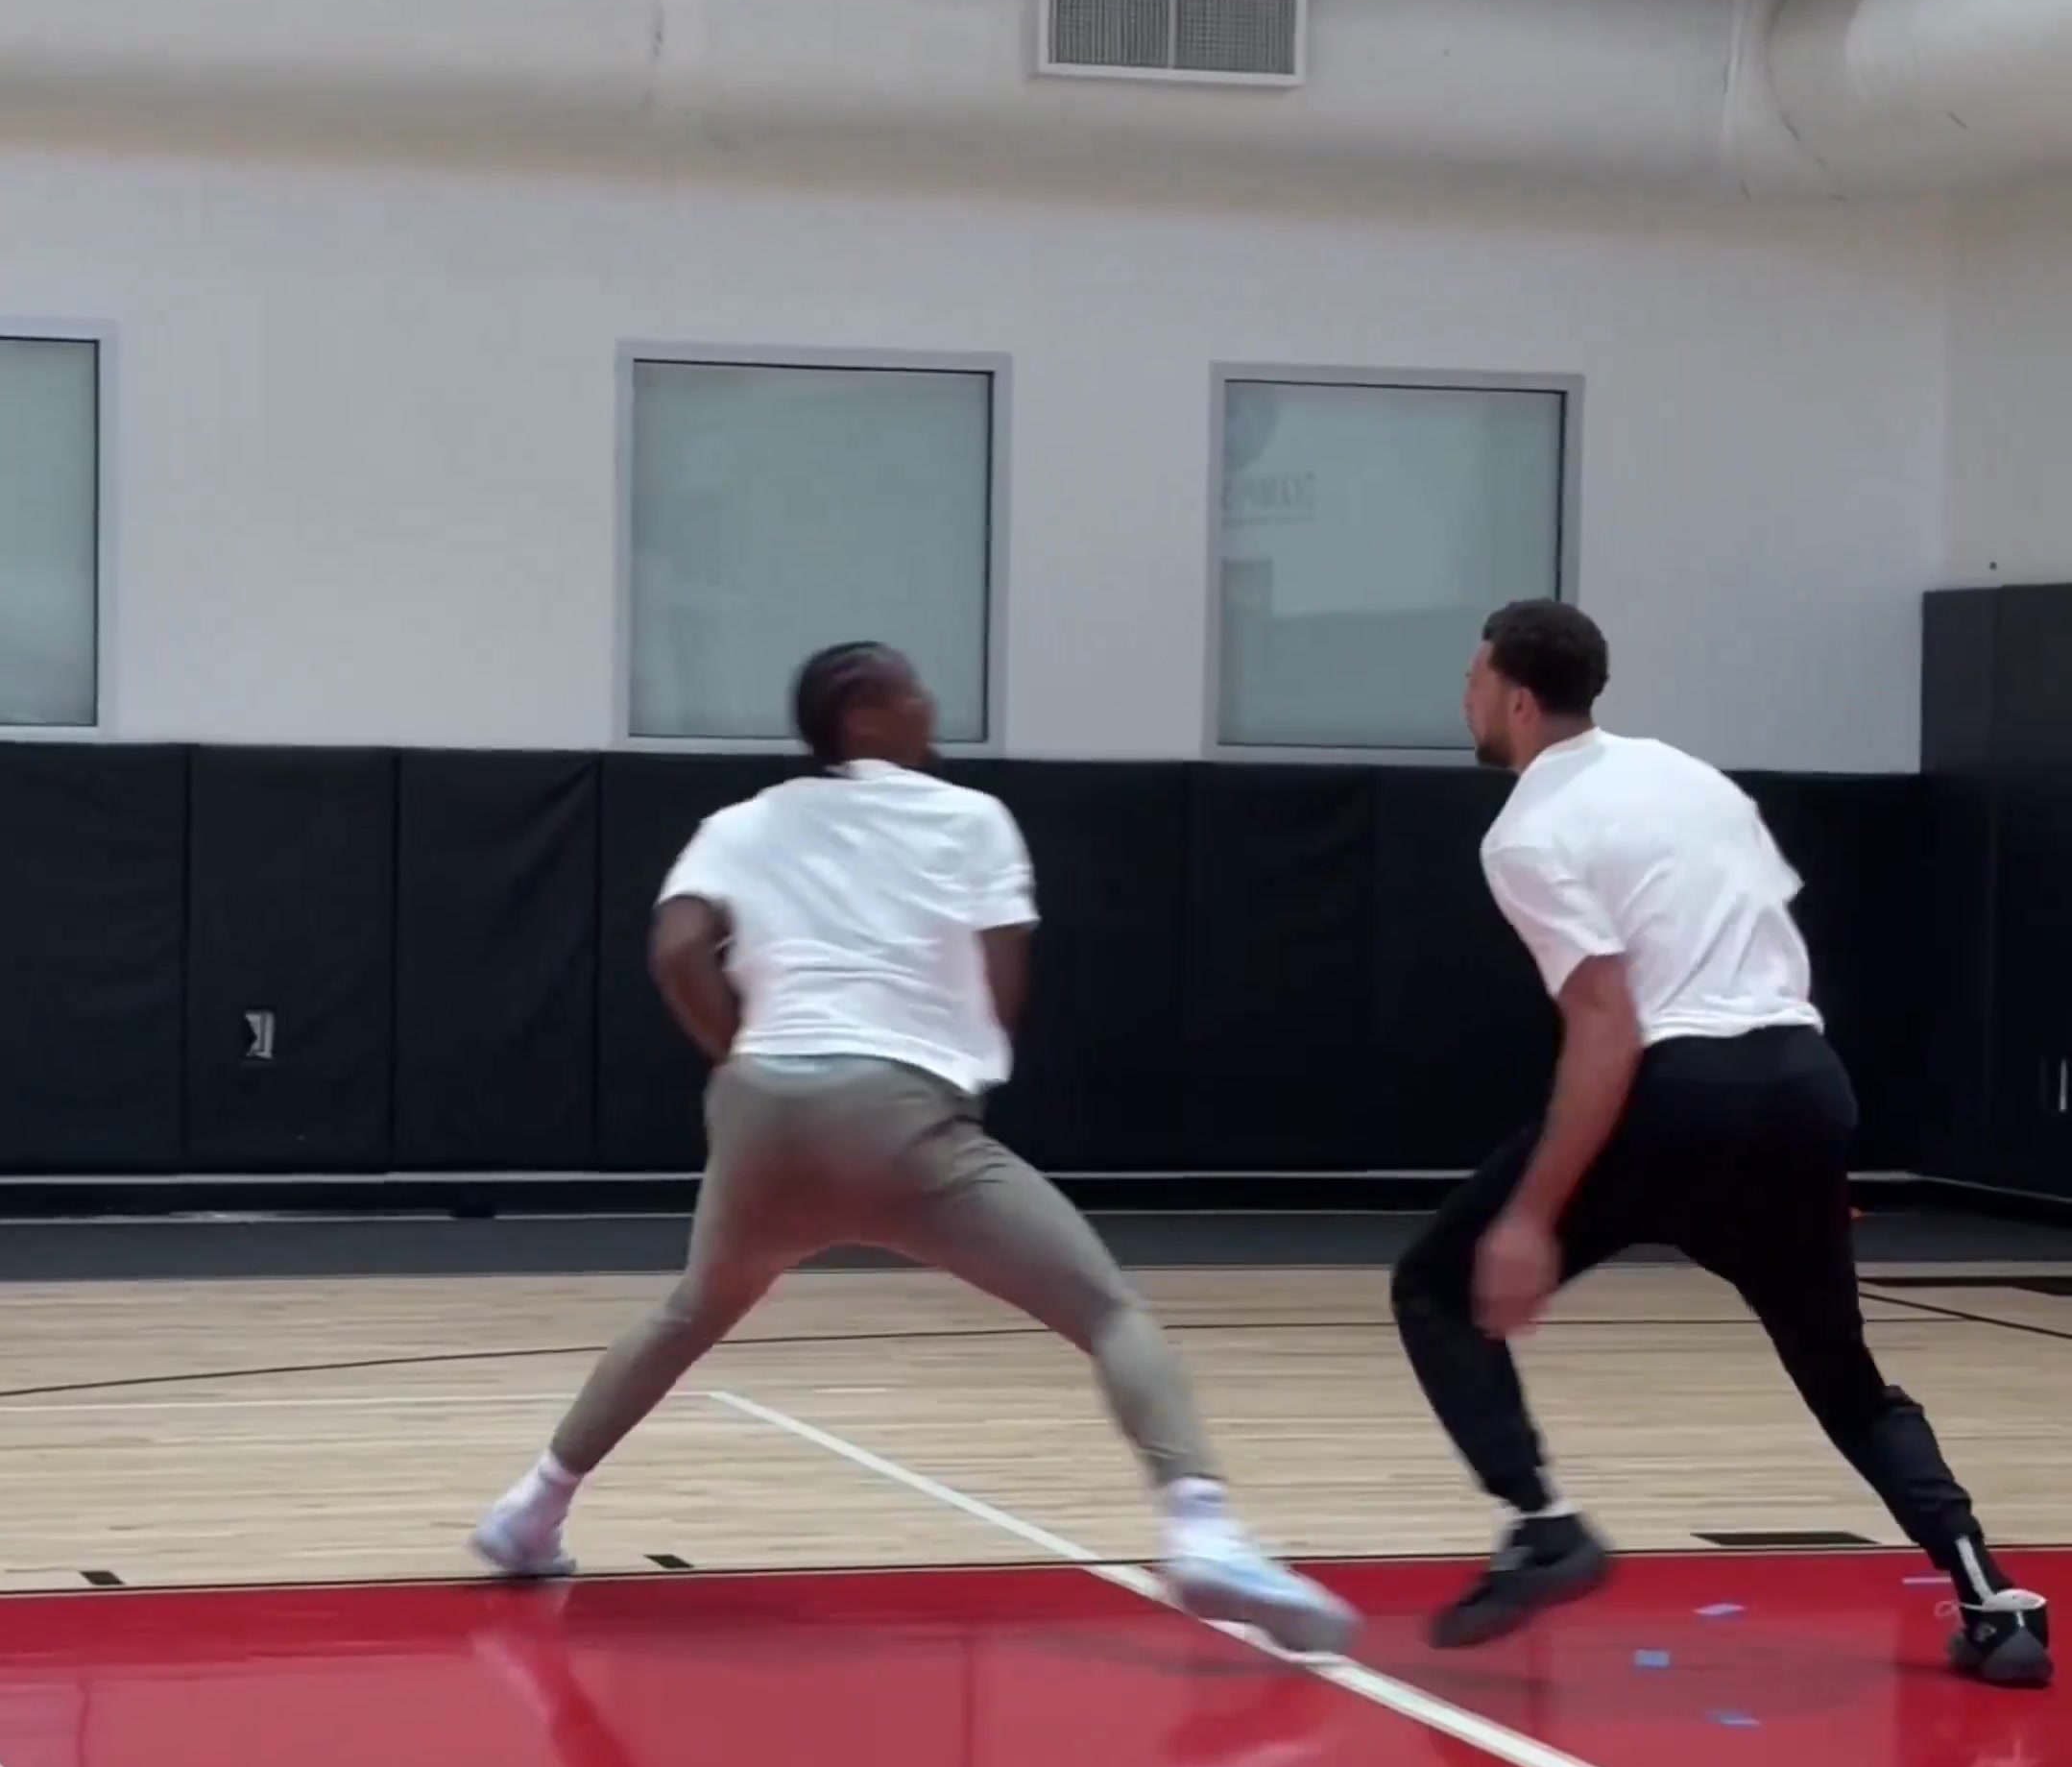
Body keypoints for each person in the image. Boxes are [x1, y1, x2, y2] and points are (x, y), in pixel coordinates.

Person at [474, 641, 1357, 1659]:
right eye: (911, 690)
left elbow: (677, 948)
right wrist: (951, 1080)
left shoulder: (739, 823)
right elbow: (1002, 978)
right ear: (861, 712)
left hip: (760, 1107)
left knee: (691, 1311)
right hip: (901, 1111)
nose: (930, 704)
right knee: (1108, 1309)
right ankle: (1202, 1528)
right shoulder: (971, 817)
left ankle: (531, 1511)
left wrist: (746, 1056)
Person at [1389, 598, 2051, 1689]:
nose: (1464, 696)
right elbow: (1766, 956)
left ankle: (1543, 1523)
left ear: (1517, 698)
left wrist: (1530, 1217)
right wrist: (1805, 1158)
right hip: (1800, 1083)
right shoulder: (1692, 779)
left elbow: (1607, 1025)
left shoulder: (1526, 832)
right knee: (1842, 1376)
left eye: (1473, 679)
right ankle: (1991, 1601)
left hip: (1679, 1093)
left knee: (1434, 1286)